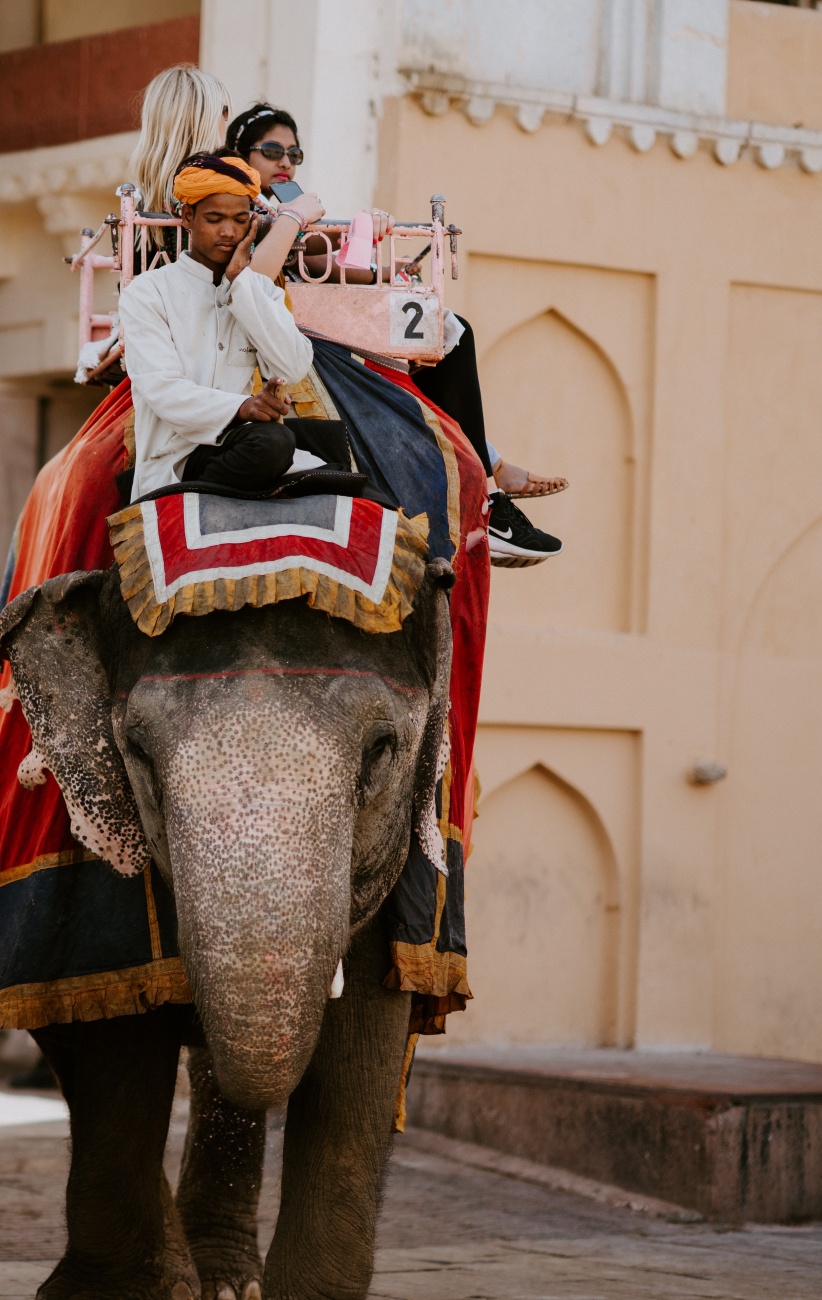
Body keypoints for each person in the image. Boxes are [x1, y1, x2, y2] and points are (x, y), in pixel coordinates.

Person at [227, 102, 568, 565]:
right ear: (241, 156)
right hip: (288, 328)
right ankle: (489, 486)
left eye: (294, 153)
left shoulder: (286, 205)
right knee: (445, 337)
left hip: (317, 312)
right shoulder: (243, 206)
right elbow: (272, 271)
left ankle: (488, 474)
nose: (286, 162)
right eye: (272, 150)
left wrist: (385, 269)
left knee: (444, 335)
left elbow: (315, 262)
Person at [119, 153, 316, 500]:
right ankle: (188, 497)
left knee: (279, 441)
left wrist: (243, 285)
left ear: (251, 225)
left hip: (237, 444)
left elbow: (294, 366)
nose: (228, 232)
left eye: (240, 220)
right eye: (214, 219)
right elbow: (164, 391)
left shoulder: (259, 290)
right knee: (272, 444)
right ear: (187, 217)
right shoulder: (148, 292)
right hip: (173, 457)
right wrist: (240, 408)